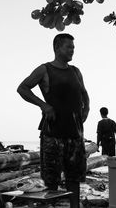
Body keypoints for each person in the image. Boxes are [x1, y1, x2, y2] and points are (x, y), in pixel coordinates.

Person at [17, 33, 90, 208]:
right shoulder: (45, 69)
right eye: (69, 47)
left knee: (74, 179)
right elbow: (22, 88)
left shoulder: (75, 71)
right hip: (52, 134)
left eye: (73, 47)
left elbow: (84, 93)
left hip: (75, 134)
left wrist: (86, 109)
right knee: (51, 181)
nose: (72, 50)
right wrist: (43, 105)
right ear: (57, 48)